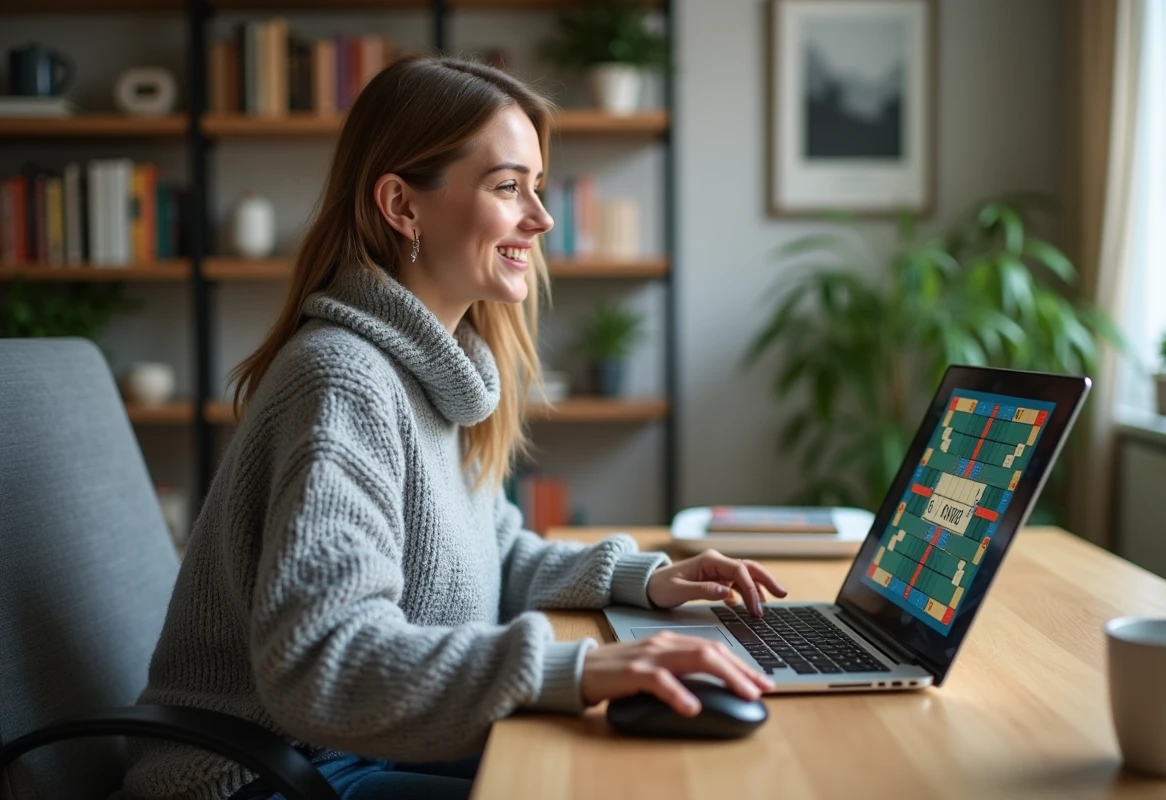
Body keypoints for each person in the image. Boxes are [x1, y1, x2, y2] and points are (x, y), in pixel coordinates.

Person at [119, 55, 787, 800]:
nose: (541, 218)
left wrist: (648, 580)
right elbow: (321, 660)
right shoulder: (342, 381)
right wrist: (576, 668)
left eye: (537, 186)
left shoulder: (442, 372)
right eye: (509, 187)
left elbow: (486, 555)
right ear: (403, 206)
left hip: (356, 747)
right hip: (259, 777)